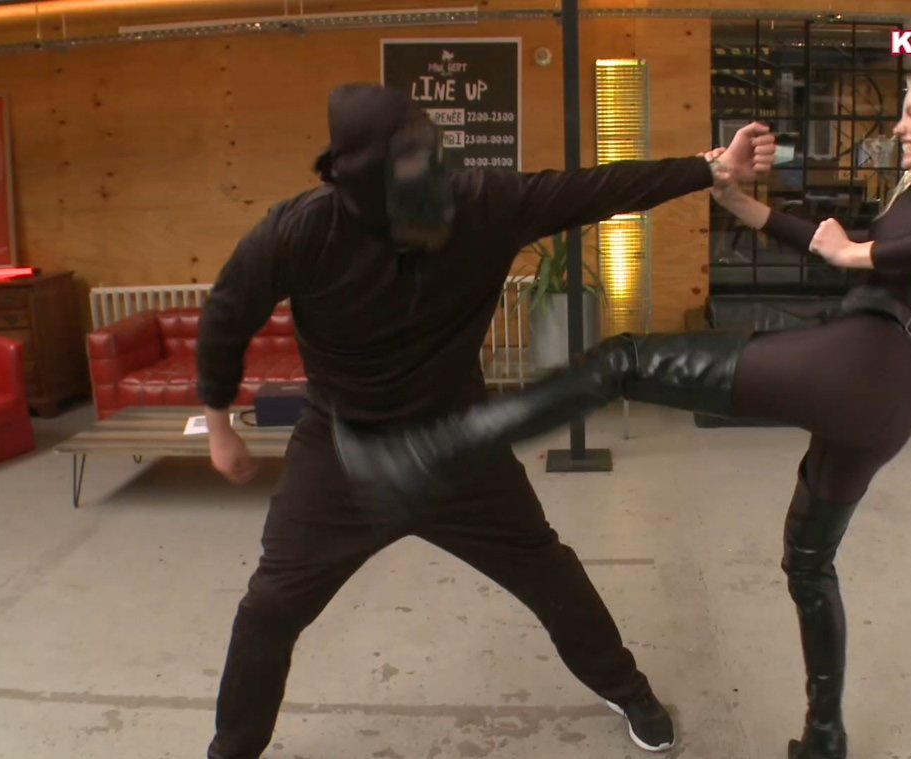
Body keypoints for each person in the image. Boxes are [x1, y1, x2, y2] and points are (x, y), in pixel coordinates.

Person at [330, 64, 911, 759]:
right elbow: (842, 243)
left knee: (623, 362)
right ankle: (825, 738)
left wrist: (858, 251)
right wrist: (745, 207)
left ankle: (431, 453)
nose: (901, 127)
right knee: (809, 566)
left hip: (856, 360)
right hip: (888, 400)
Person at [196, 82, 776, 759]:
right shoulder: (300, 231)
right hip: (342, 453)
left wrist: (710, 168)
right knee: (270, 607)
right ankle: (232, 749)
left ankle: (628, 689)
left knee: (547, 572)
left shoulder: (477, 204)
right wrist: (218, 423)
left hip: (459, 448)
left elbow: (594, 189)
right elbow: (227, 313)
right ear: (352, 177)